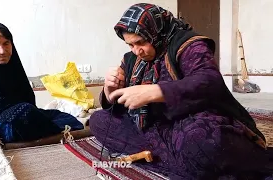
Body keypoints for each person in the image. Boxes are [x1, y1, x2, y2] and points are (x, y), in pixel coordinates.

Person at [89, 3, 273, 179]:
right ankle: (186, 164)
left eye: (141, 42)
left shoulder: (188, 45)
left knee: (204, 141)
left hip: (187, 123)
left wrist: (155, 92)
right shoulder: (130, 59)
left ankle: (171, 160)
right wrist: (109, 91)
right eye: (130, 45)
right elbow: (118, 107)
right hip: (154, 128)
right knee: (99, 120)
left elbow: (210, 81)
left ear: (156, 32)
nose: (137, 51)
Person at [0, 22, 84, 152]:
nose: (2, 51)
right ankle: (51, 129)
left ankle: (48, 128)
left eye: (6, 43)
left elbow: (24, 99)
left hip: (5, 117)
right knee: (25, 113)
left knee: (61, 117)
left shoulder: (10, 66)